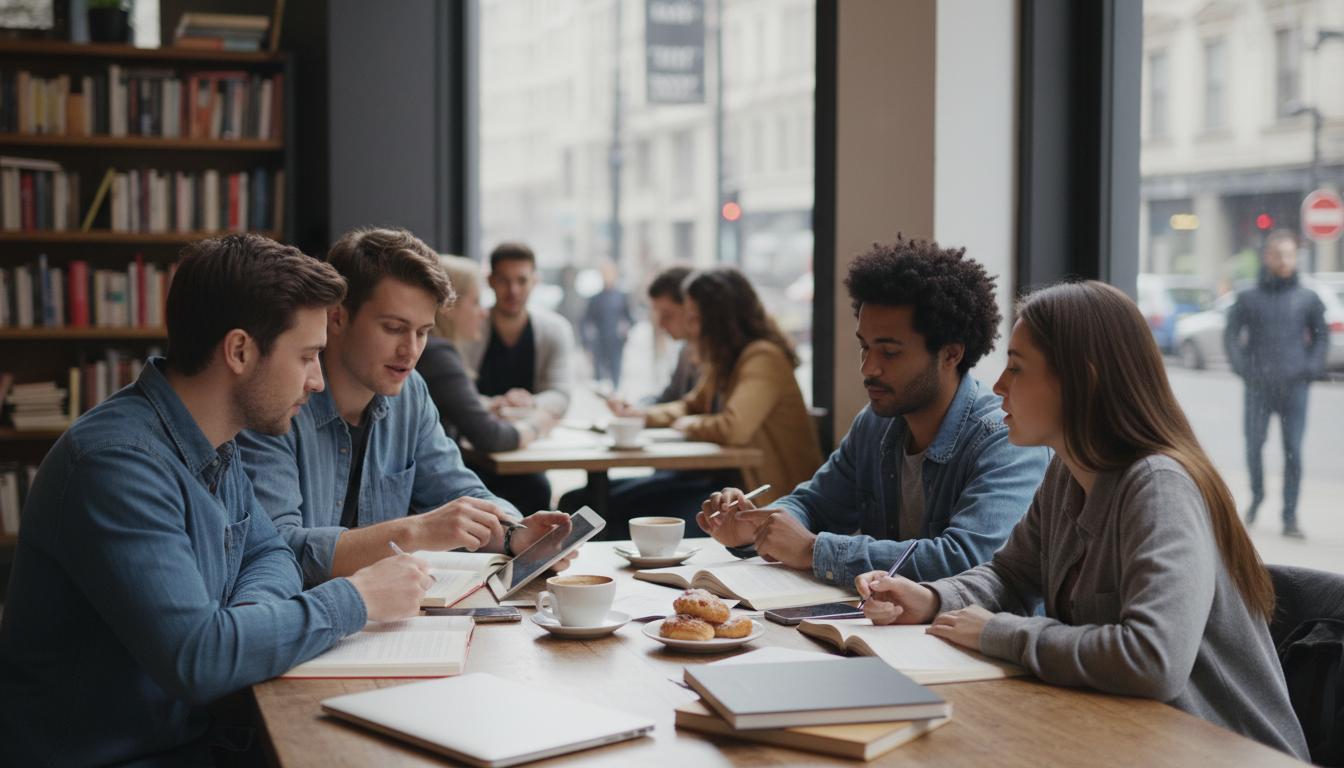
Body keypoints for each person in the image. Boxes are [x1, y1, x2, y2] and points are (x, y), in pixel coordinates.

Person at [0, 234, 434, 766]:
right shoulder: (116, 464)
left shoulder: (214, 440)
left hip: (197, 736)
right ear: (239, 351)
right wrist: (357, 599)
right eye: (307, 357)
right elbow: (200, 658)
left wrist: (244, 626)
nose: (319, 380)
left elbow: (270, 554)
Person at [855, 280, 1310, 760]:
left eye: (1016, 367)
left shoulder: (1158, 486)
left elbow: (1153, 660)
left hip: (1224, 752)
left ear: (1082, 379)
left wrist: (996, 632)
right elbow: (1010, 574)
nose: (999, 386)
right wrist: (931, 598)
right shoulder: (1067, 474)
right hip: (1136, 741)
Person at [700, 237, 1050, 586]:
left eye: (890, 353)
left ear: (950, 354)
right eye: (865, 347)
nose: (869, 368)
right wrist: (755, 525)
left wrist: (812, 550)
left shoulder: (1005, 439)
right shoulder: (875, 424)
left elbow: (967, 559)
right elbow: (814, 505)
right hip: (887, 629)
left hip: (966, 637)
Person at [239, 228, 572, 587]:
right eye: (394, 328)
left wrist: (513, 533)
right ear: (337, 317)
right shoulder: (277, 399)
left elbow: (459, 489)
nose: (411, 351)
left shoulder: (409, 392)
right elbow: (278, 550)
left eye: (423, 331)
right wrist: (415, 531)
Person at [563, 267, 823, 540]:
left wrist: (687, 425)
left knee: (613, 515)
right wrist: (642, 416)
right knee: (585, 504)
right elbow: (689, 405)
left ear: (720, 321)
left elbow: (733, 427)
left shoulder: (763, 358)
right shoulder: (725, 360)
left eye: (695, 319)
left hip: (762, 497)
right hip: (726, 488)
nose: (689, 328)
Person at [1223, 230, 1327, 538]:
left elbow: (1321, 337)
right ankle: (1256, 497)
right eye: (1278, 254)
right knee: (1254, 446)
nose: (1284, 260)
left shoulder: (1308, 298)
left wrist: (1310, 368)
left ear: (1296, 257)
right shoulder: (1248, 296)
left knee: (1293, 449)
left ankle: (1290, 516)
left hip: (1295, 386)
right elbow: (1231, 335)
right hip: (1258, 386)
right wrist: (1243, 368)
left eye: (1289, 254)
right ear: (1267, 256)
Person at [419, 255, 555, 452]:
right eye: (476, 302)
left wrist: (490, 405)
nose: (483, 312)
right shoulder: (438, 355)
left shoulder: (432, 349)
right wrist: (538, 425)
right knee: (533, 484)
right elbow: (491, 438)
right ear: (448, 306)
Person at [460, 241, 577, 421]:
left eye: (522, 281)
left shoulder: (556, 330)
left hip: (534, 436)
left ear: (535, 281)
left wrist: (529, 403)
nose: (513, 290)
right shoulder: (469, 327)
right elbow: (455, 394)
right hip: (476, 435)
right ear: (490, 281)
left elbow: (561, 394)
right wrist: (495, 404)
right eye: (503, 280)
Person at [607, 265, 700, 410]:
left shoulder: (713, 356)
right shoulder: (686, 351)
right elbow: (669, 397)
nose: (661, 324)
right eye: (658, 315)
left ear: (692, 309)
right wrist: (636, 408)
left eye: (668, 315)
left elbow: (689, 409)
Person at [580, 261, 634, 388]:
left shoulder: (621, 297)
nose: (607, 276)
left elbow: (630, 318)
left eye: (609, 273)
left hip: (616, 342)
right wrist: (587, 341)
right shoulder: (595, 299)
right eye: (604, 274)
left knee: (615, 375)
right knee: (599, 377)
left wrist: (625, 329)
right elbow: (586, 320)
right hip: (599, 342)